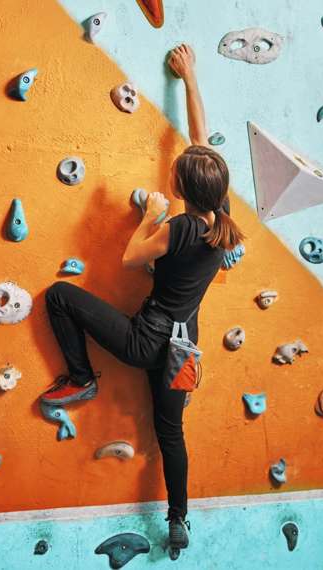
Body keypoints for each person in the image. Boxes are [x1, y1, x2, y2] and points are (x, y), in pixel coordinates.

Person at [40, 43, 244, 555]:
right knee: (170, 434)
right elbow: (201, 142)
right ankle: (178, 519)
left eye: (173, 176)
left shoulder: (174, 227)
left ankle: (82, 377)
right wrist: (189, 76)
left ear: (180, 189)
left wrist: (150, 213)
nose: (171, 173)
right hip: (185, 351)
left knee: (60, 296)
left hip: (144, 341)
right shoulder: (223, 221)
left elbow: (132, 258)